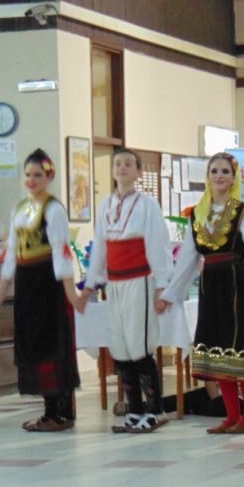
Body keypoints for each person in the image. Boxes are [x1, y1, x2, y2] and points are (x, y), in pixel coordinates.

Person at [162, 152, 244, 435]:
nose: (219, 176)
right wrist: (171, 293)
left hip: (238, 285)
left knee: (241, 348)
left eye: (225, 171)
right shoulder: (197, 213)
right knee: (217, 350)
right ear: (208, 176)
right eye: (214, 171)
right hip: (210, 286)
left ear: (234, 177)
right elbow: (188, 259)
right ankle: (231, 416)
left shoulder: (242, 212)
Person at [0, 149, 86, 431]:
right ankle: (50, 411)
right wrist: (0, 292)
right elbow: (11, 253)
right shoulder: (20, 208)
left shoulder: (54, 210)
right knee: (33, 344)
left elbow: (61, 253)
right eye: (28, 175)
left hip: (48, 285)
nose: (32, 180)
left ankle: (58, 413)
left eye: (37, 175)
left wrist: (71, 294)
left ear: (49, 176)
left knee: (51, 345)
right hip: (26, 285)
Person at [85, 148, 172, 433]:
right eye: (117, 164)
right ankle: (134, 410)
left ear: (137, 172)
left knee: (139, 346)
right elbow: (100, 248)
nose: (121, 168)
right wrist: (91, 284)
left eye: (127, 164)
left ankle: (156, 410)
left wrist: (161, 286)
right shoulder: (105, 205)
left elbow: (158, 245)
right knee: (120, 348)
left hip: (140, 281)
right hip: (115, 284)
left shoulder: (147, 205)